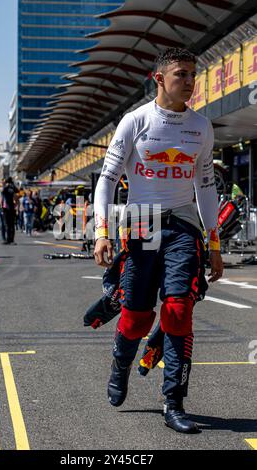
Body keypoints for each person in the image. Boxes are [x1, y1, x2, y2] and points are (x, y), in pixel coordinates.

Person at [92, 48, 223, 434]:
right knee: (135, 319)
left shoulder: (201, 127)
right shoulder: (135, 121)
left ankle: (174, 403)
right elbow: (107, 180)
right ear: (160, 79)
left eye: (193, 74)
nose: (189, 81)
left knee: (179, 311)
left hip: (183, 224)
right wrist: (101, 233)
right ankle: (121, 364)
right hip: (140, 223)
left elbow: (206, 187)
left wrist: (214, 245)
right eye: (181, 74)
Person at [1, 177, 19, 245]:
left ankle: (11, 239)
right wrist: (8, 185)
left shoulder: (11, 188)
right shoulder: (5, 188)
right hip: (6, 208)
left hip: (10, 207)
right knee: (8, 225)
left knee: (11, 225)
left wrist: (12, 185)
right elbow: (3, 192)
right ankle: (8, 239)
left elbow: (17, 191)